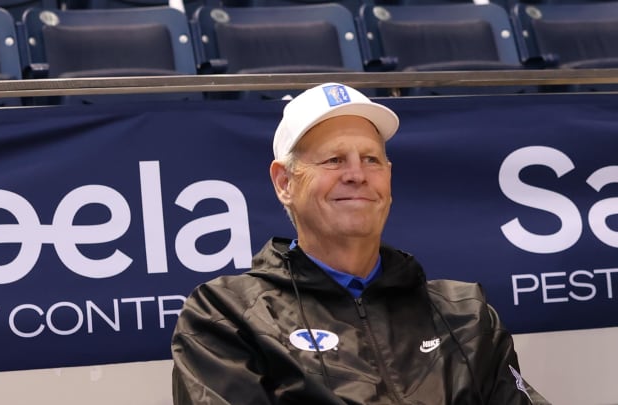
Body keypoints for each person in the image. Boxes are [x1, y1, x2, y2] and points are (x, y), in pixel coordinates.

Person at [171, 82, 549, 404]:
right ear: (285, 183)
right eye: (334, 160)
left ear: (388, 178)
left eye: (371, 159)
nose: (356, 175)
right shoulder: (226, 316)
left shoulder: (464, 314)